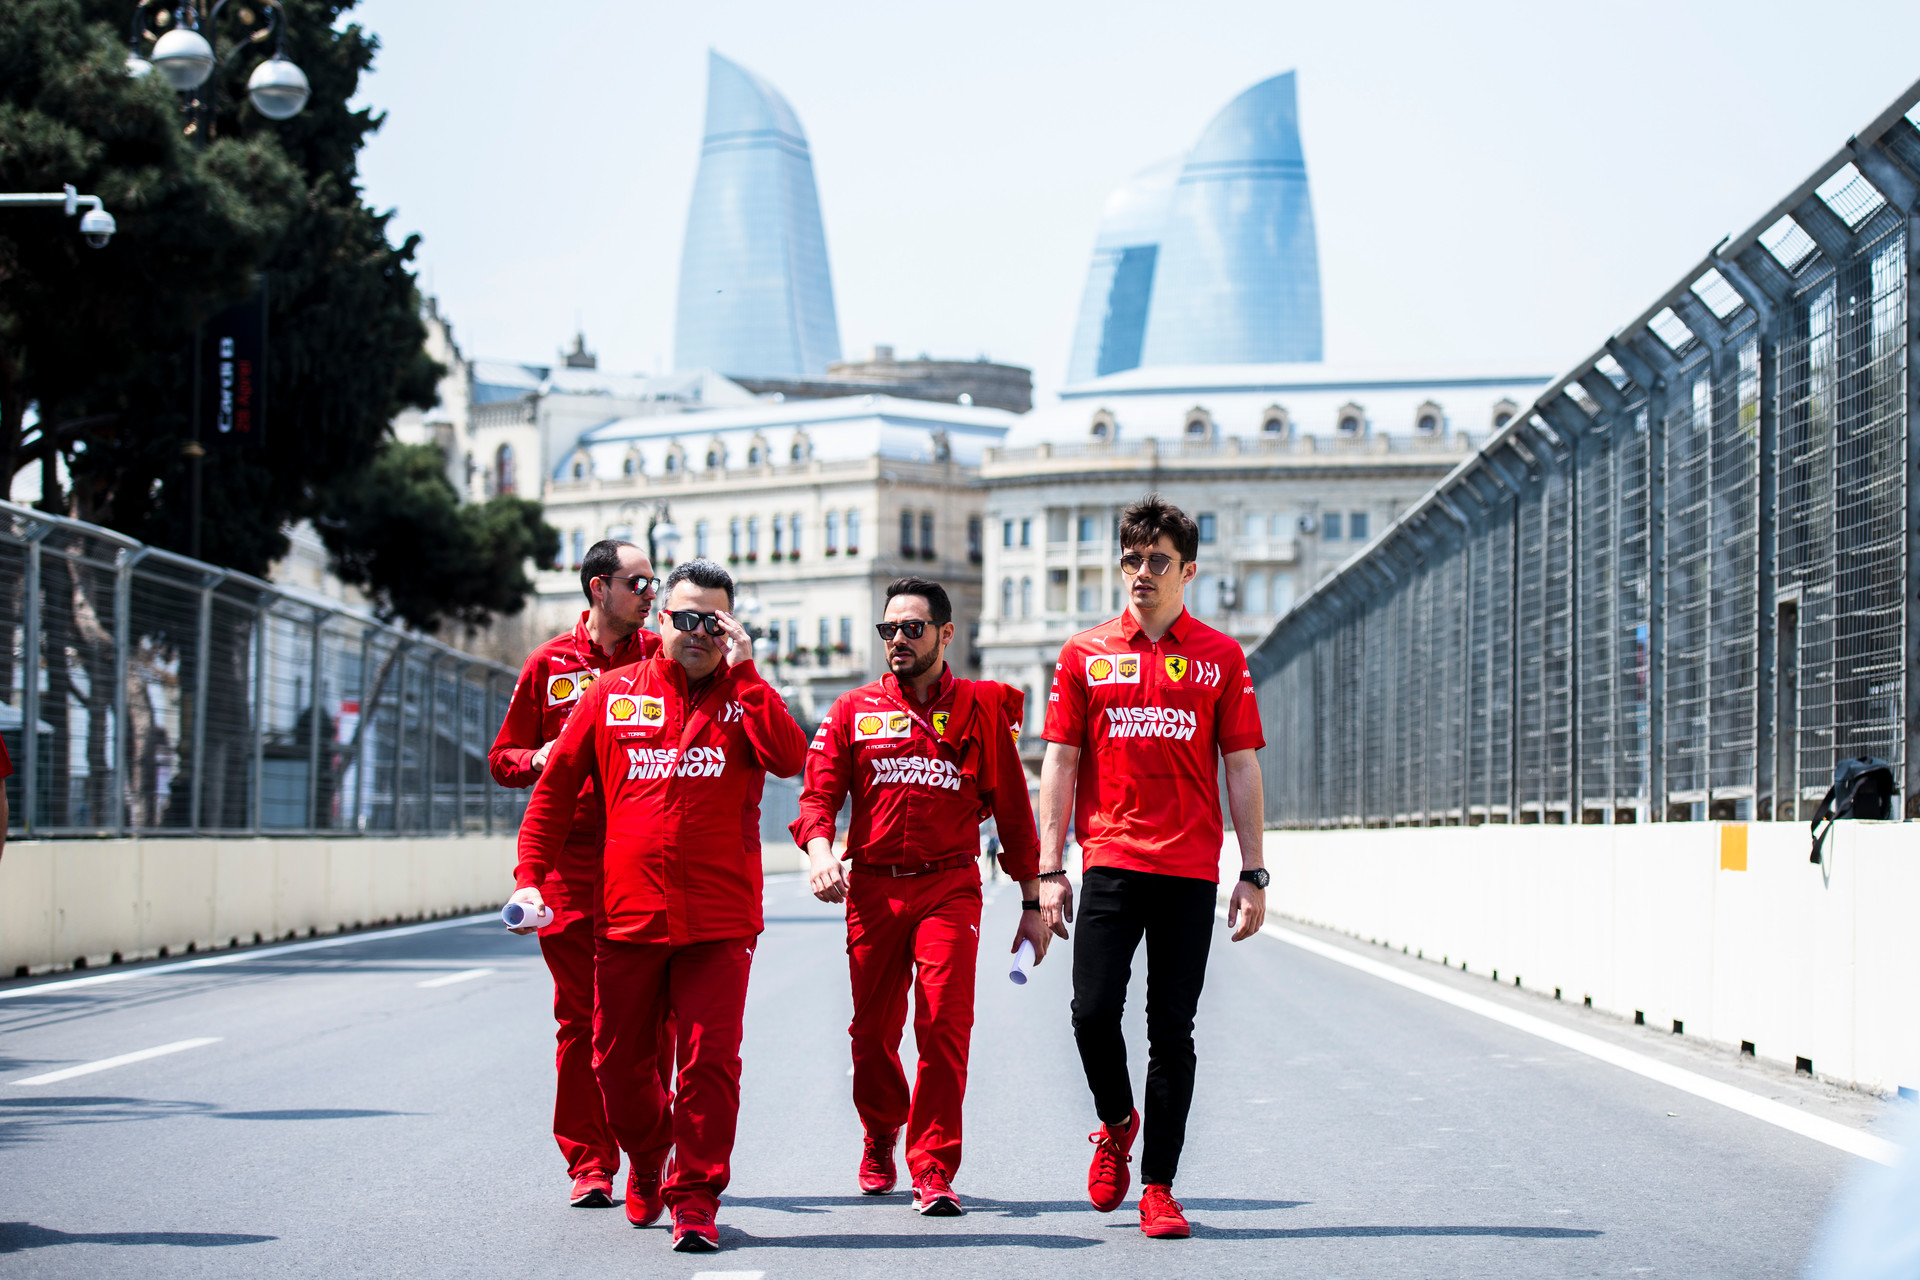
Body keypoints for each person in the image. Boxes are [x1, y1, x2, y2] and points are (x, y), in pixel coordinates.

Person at [510, 558, 807, 1253]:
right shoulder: (610, 694)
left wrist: (749, 674)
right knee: (615, 1066)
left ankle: (695, 1196)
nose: (698, 632)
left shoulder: (746, 696)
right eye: (686, 617)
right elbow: (553, 794)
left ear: (730, 629)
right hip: (627, 916)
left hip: (719, 920)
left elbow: (791, 758)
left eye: (714, 621)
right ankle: (647, 1155)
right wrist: (530, 876)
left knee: (709, 1064)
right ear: (662, 620)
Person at [1035, 494, 1268, 1240]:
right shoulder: (1084, 653)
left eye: (1157, 561)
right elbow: (1059, 762)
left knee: (1172, 1031)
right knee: (1091, 1013)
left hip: (1190, 870)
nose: (1141, 572)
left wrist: (1253, 871)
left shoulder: (1221, 658)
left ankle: (1160, 1188)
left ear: (1188, 572)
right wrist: (1049, 868)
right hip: (1110, 859)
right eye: (1131, 559)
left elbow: (1242, 767)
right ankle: (1115, 1122)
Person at [795, 577, 1049, 1216]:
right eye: (889, 629)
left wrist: (1031, 902)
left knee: (943, 1026)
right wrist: (820, 851)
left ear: (945, 634)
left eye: (912, 628)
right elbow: (817, 794)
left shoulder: (982, 709)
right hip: (873, 889)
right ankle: (882, 1129)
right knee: (871, 1033)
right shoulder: (851, 709)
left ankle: (933, 1166)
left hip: (950, 887)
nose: (898, 640)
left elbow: (1015, 813)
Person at [490, 539, 660, 1209]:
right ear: (598, 587)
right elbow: (503, 758)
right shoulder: (549, 664)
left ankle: (649, 1150)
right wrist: (540, 758)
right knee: (581, 1018)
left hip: (644, 860)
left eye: (653, 583)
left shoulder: (662, 657)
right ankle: (590, 1163)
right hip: (568, 865)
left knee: (648, 1020)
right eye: (637, 583)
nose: (650, 594)